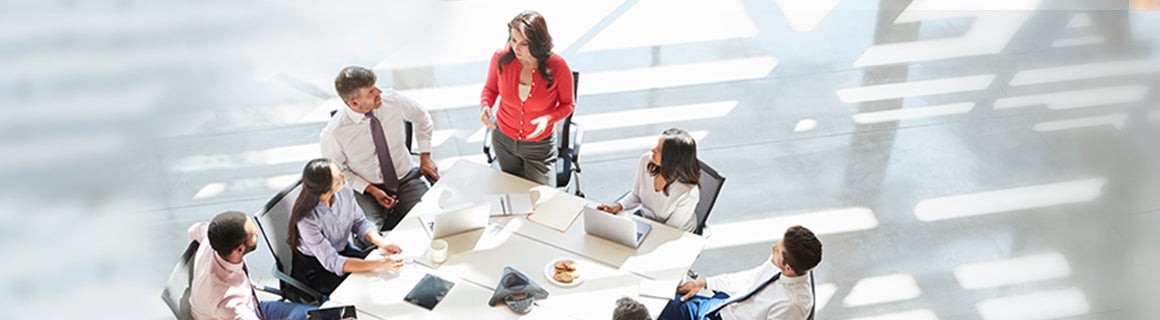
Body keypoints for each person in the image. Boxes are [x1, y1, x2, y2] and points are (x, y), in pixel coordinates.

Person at [321, 65, 437, 232]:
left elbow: (422, 118)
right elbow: (337, 172)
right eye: (370, 92)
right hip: (366, 189)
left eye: (375, 86)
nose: (379, 92)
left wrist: (425, 157)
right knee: (368, 234)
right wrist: (371, 190)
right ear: (354, 102)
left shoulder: (393, 101)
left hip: (405, 178)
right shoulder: (333, 133)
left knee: (432, 220)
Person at [480, 10, 575, 186]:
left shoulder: (558, 66)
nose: (516, 48)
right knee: (513, 194)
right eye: (513, 40)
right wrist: (486, 105)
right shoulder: (501, 58)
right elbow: (490, 89)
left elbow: (568, 104)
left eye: (524, 43)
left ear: (538, 43)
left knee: (542, 202)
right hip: (503, 141)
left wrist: (548, 118)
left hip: (539, 148)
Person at [288, 158, 406, 298]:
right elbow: (333, 262)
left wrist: (382, 243)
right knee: (365, 288)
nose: (343, 178)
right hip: (317, 269)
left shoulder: (344, 190)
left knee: (385, 277)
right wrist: (380, 263)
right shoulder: (307, 219)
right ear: (325, 190)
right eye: (338, 179)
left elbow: (360, 223)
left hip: (342, 251)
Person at [658, 226, 822, 320]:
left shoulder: (792, 306)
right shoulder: (781, 263)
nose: (772, 249)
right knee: (661, 302)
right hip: (722, 307)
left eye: (778, 250)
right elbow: (749, 279)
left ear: (788, 268)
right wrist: (703, 283)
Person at [188, 211, 316, 320]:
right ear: (239, 250)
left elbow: (194, 229)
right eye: (253, 234)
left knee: (314, 314)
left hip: (251, 304)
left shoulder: (213, 240)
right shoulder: (229, 300)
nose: (257, 232)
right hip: (235, 313)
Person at [597, 128, 701, 233]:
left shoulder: (688, 193)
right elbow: (636, 195)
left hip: (673, 234)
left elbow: (668, 231)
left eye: (659, 150)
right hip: (648, 222)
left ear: (672, 159)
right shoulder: (646, 160)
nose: (653, 150)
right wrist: (617, 206)